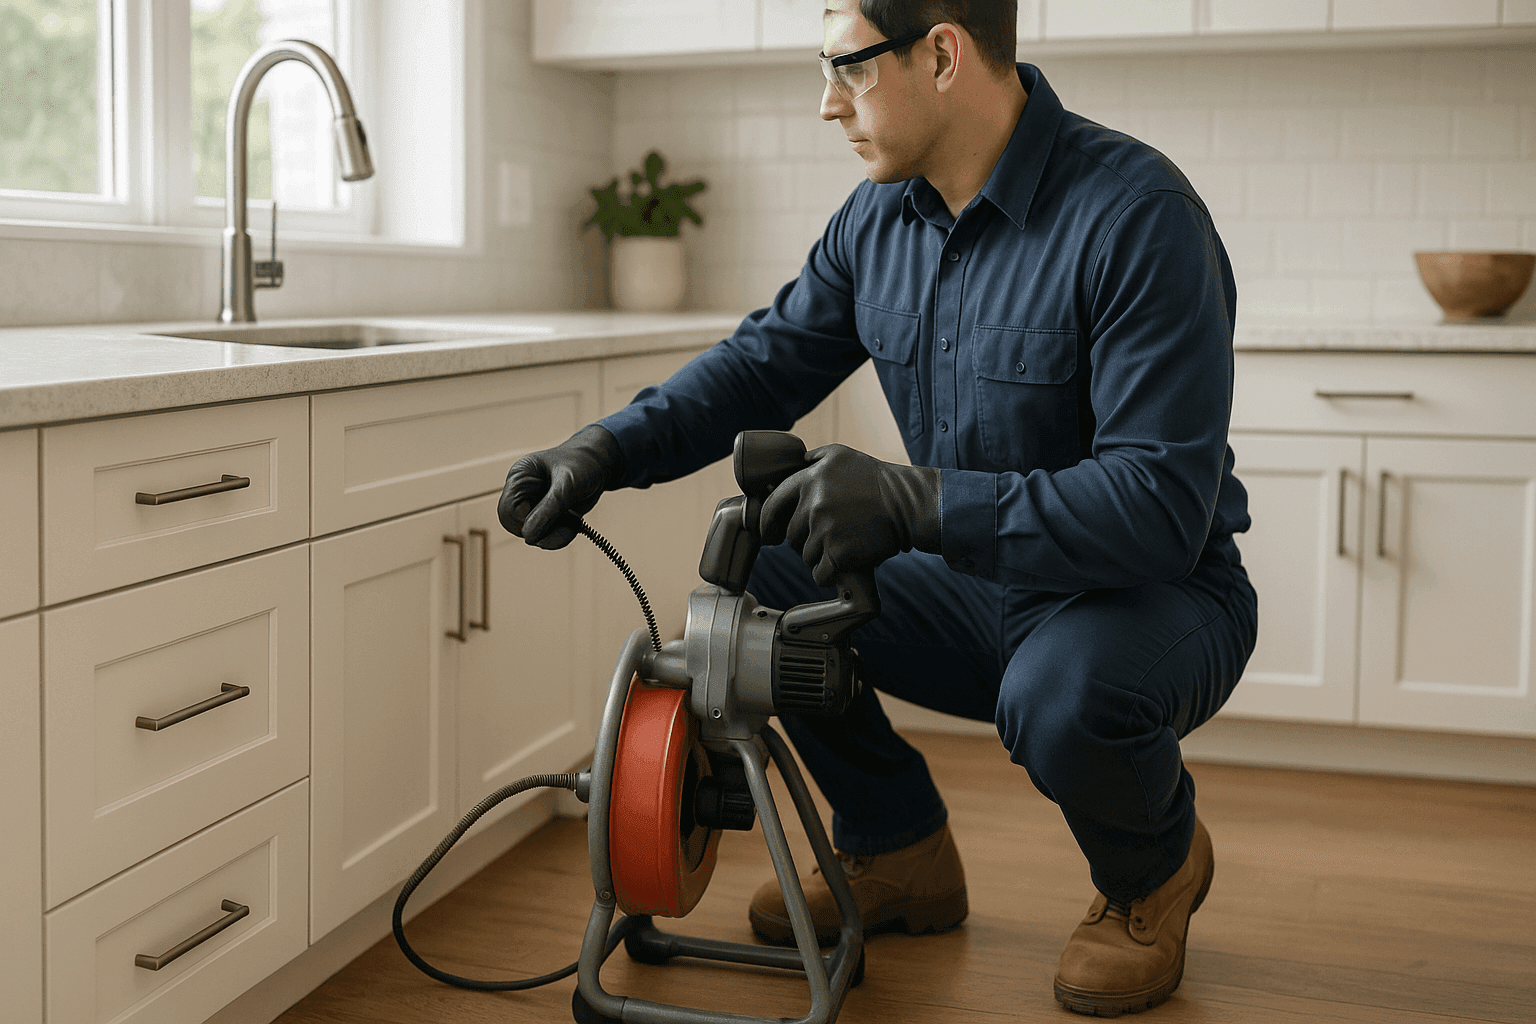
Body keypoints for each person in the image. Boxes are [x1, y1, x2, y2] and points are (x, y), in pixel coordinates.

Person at [499, 0, 1258, 1015]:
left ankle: (1151, 868)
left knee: (1063, 697)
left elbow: (1159, 506)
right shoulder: (877, 221)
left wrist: (914, 499)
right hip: (980, 583)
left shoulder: (1136, 215)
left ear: (942, 54)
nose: (828, 104)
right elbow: (757, 365)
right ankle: (898, 845)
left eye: (848, 68)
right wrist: (604, 449)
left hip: (1150, 592)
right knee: (767, 570)